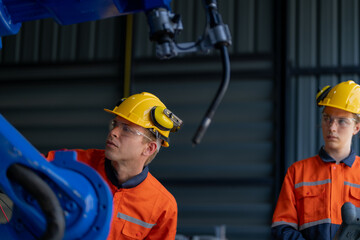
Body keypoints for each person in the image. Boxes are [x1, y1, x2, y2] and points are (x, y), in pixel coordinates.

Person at [47, 92, 183, 239]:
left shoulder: (162, 207)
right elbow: (27, 164)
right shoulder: (75, 163)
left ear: (149, 148)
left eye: (127, 129)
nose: (113, 132)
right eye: (115, 124)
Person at [271, 80, 360, 240]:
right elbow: (282, 227)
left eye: (341, 121)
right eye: (327, 118)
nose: (331, 127)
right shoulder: (297, 172)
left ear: (356, 127)